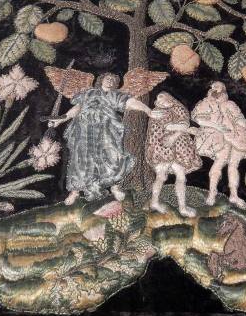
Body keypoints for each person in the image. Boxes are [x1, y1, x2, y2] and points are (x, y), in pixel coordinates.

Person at [48, 73, 159, 205]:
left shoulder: (116, 95)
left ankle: (115, 187)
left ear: (116, 84)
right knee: (80, 160)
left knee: (113, 156)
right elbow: (77, 108)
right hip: (85, 130)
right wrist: (61, 120)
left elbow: (131, 102)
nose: (110, 81)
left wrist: (148, 111)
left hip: (107, 129)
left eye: (113, 80)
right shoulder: (89, 93)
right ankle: (75, 192)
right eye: (108, 78)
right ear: (101, 80)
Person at [191, 82, 246, 208]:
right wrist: (216, 126)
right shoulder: (207, 103)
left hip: (236, 135)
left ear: (223, 89)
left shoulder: (230, 104)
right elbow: (199, 120)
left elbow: (239, 120)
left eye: (217, 86)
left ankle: (234, 195)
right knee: (219, 162)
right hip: (218, 136)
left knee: (234, 165)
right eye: (212, 86)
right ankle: (212, 193)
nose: (214, 88)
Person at [145, 92, 202, 218]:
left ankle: (182, 207)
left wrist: (177, 133)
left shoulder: (179, 108)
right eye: (158, 99)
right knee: (161, 176)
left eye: (162, 97)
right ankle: (154, 202)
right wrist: (183, 129)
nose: (159, 100)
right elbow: (164, 127)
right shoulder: (157, 111)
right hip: (162, 146)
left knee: (181, 176)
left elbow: (184, 123)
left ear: (170, 98)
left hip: (180, 146)